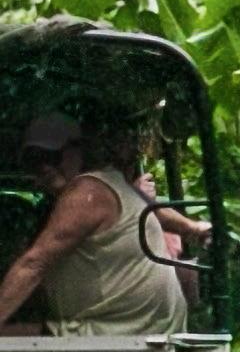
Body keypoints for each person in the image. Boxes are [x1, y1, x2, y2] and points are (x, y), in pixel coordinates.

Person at [0, 114, 187, 335]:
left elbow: (33, 264)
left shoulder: (87, 191)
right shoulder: (116, 185)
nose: (45, 166)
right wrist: (193, 227)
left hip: (117, 334)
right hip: (139, 329)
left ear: (78, 150)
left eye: (52, 155)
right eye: (34, 160)